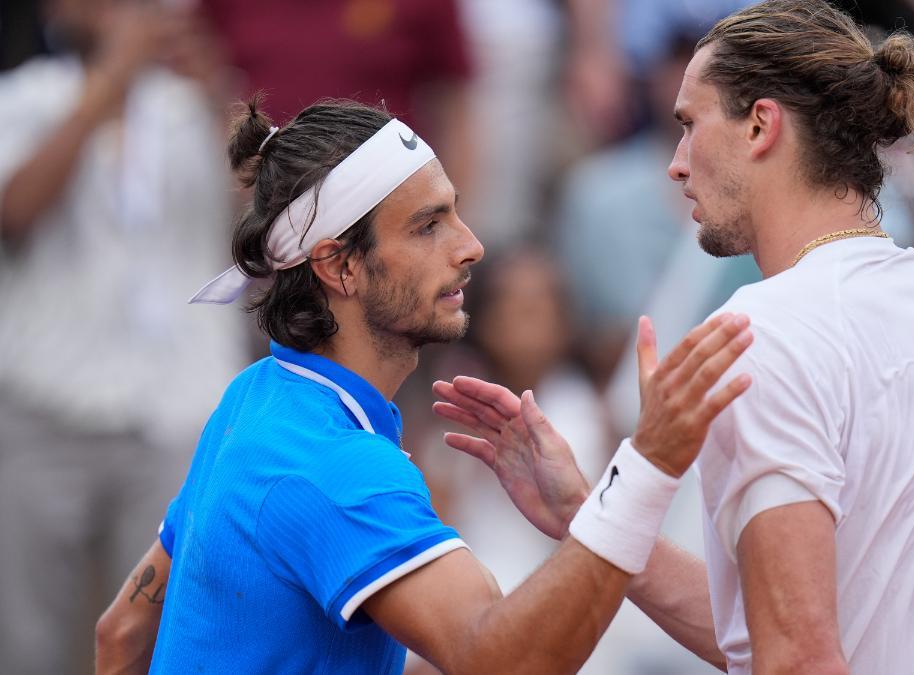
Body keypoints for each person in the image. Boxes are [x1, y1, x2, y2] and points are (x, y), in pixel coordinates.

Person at [436, 1, 914, 673]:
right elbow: (777, 631)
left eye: (690, 125)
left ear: (760, 125)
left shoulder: (767, 331)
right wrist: (593, 513)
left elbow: (797, 658)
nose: (676, 163)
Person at [93, 98, 755, 674]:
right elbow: (506, 659)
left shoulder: (255, 397)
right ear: (340, 267)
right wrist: (648, 466)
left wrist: (586, 507)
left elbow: (120, 633)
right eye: (428, 225)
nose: (471, 246)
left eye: (456, 214)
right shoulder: (335, 466)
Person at [0, 1, 246, 672]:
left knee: (169, 636)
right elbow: (14, 210)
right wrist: (107, 88)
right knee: (27, 640)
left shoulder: (194, 103)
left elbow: (266, 220)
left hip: (176, 410)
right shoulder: (24, 97)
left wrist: (217, 95)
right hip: (44, 403)